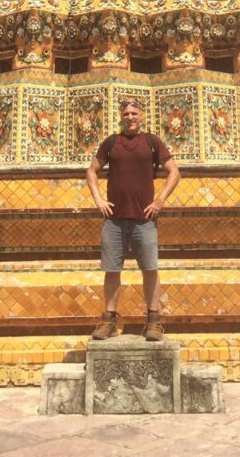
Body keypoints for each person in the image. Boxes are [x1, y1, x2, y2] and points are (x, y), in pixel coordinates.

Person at [86, 97, 181, 341]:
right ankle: (109, 320)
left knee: (150, 269)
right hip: (115, 220)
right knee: (111, 270)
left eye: (134, 113)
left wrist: (160, 200)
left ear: (142, 116)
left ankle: (154, 320)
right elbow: (91, 170)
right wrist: (98, 199)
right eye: (126, 113)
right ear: (121, 116)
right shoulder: (111, 143)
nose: (130, 117)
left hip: (144, 219)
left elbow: (174, 171)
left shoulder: (151, 142)